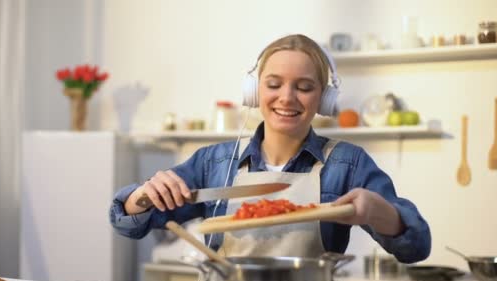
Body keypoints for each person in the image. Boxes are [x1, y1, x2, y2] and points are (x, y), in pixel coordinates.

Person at [109, 34, 430, 263]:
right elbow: (126, 223)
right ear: (254, 92)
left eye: (304, 87)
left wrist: (381, 212)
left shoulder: (347, 164)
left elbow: (416, 247)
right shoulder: (215, 162)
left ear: (324, 99)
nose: (287, 98)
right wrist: (144, 195)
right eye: (274, 85)